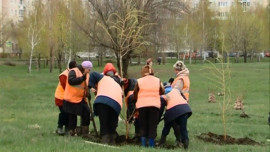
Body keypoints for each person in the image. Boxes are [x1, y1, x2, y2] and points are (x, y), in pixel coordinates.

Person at [133, 65, 164, 147]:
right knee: (152, 125)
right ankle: (151, 146)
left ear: (143, 73)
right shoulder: (157, 80)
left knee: (143, 125)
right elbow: (162, 91)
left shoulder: (139, 81)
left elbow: (135, 93)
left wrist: (136, 100)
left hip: (142, 106)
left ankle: (143, 144)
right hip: (154, 106)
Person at [88, 71, 123, 145]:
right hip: (116, 104)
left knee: (104, 121)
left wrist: (91, 86)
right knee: (112, 122)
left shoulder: (104, 77)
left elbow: (93, 74)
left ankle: (105, 140)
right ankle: (112, 140)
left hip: (102, 100)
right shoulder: (119, 86)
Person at [63, 61, 92, 139]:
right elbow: (71, 81)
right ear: (84, 68)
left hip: (80, 98)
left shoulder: (87, 75)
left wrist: (88, 94)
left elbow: (85, 86)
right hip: (71, 98)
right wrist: (82, 78)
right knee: (73, 115)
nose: (89, 71)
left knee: (87, 112)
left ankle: (84, 132)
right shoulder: (74, 71)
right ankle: (71, 132)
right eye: (89, 69)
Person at [54, 61, 77, 135]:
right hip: (61, 97)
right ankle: (59, 127)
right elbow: (67, 87)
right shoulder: (64, 75)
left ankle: (67, 128)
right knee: (64, 112)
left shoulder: (73, 73)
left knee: (68, 113)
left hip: (68, 97)